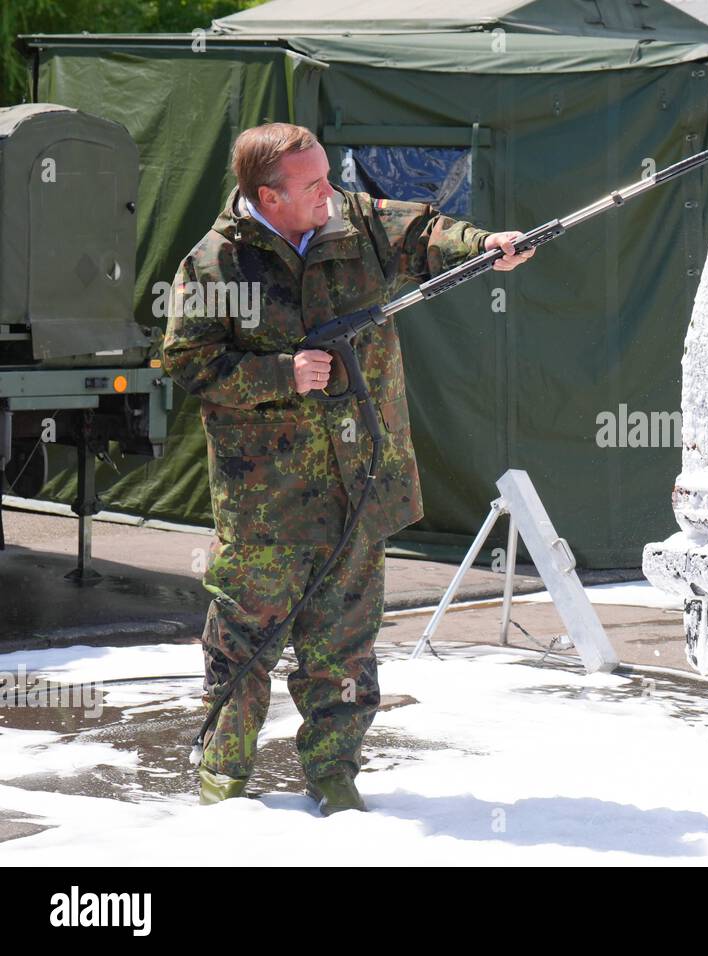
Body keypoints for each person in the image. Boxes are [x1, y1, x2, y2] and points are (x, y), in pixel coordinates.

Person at [163, 123, 533, 814]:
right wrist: (281, 373)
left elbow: (424, 233)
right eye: (311, 185)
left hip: (360, 483)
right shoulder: (216, 266)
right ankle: (224, 775)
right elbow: (188, 363)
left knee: (345, 647)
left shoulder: (354, 224)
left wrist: (482, 246)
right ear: (266, 196)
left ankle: (334, 774)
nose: (329, 193)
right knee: (245, 642)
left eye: (328, 176)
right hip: (267, 502)